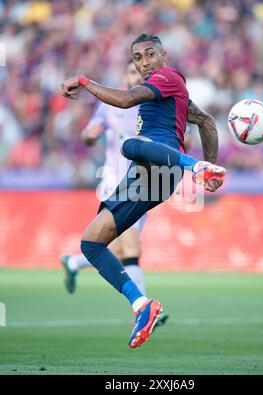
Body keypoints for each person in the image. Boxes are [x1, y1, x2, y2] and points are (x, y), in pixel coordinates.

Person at [62, 33, 226, 349]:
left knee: (130, 145)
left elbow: (125, 99)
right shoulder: (172, 98)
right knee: (91, 244)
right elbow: (206, 122)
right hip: (145, 178)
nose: (144, 63)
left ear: (164, 54)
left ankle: (194, 166)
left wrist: (83, 80)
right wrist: (213, 167)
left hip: (162, 164)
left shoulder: (169, 75)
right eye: (138, 58)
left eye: (150, 54)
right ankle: (141, 305)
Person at [60, 60, 168, 328]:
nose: (137, 75)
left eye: (140, 72)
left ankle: (74, 263)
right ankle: (143, 308)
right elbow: (89, 133)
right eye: (132, 71)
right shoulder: (110, 103)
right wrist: (89, 134)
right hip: (114, 183)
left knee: (115, 248)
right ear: (123, 76)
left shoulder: (154, 104)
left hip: (144, 185)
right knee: (130, 247)